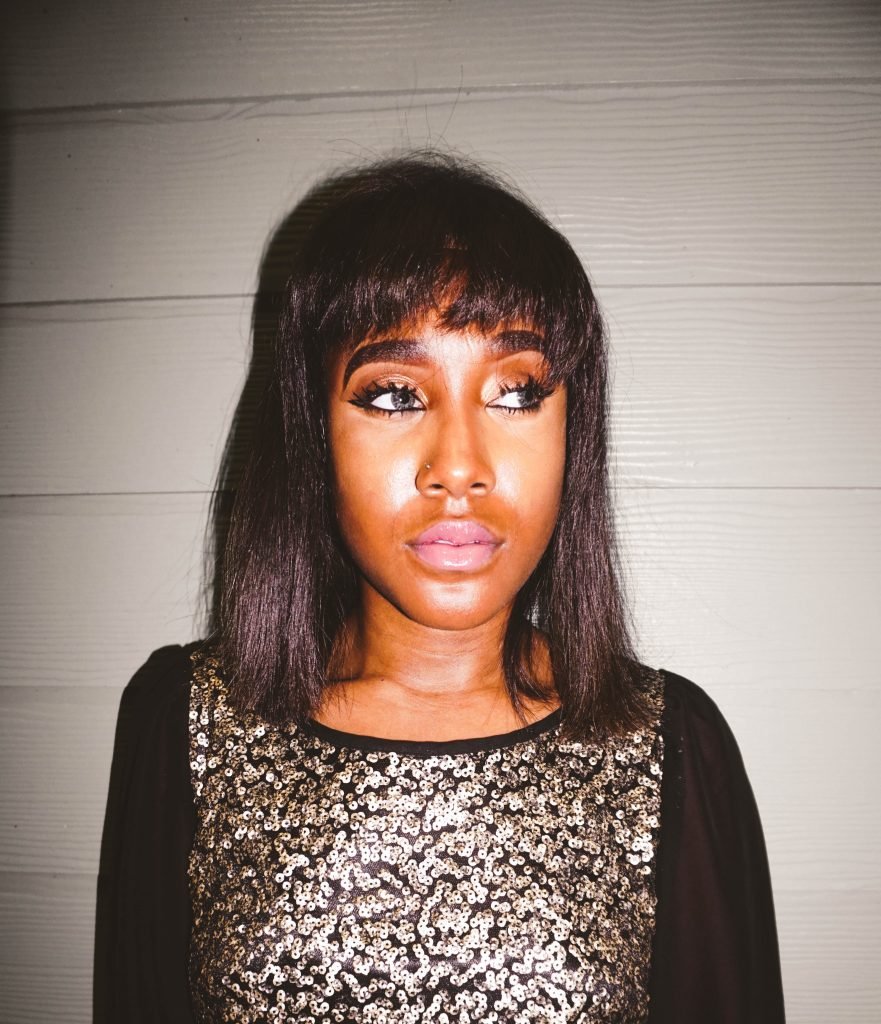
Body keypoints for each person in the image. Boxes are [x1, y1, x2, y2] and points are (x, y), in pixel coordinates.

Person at [95, 154, 786, 1023]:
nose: (458, 467)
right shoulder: (185, 723)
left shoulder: (670, 749)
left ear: (572, 431)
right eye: (393, 395)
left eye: (515, 392)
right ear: (312, 433)